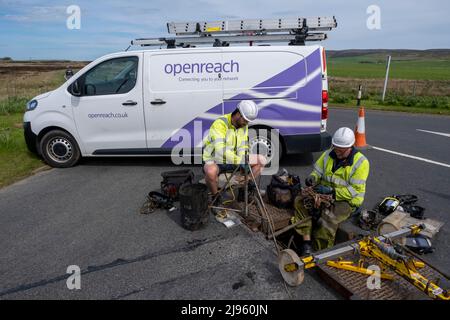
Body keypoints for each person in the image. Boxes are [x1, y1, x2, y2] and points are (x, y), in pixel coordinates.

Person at [292, 127, 370, 255]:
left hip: (347, 201)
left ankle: (319, 251)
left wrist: (332, 192)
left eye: (341, 149)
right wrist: (313, 177)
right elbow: (317, 171)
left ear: (350, 147)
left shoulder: (361, 162)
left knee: (328, 218)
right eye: (335, 147)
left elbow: (355, 190)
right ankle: (306, 243)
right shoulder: (328, 154)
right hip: (323, 194)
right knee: (300, 201)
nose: (337, 151)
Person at [203, 100, 266, 207]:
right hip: (216, 160)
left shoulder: (243, 126)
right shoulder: (220, 124)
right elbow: (220, 149)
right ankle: (216, 197)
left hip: (235, 159)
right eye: (245, 120)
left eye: (248, 121)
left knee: (262, 160)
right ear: (238, 114)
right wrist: (239, 161)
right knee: (210, 172)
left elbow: (243, 144)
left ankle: (244, 189)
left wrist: (244, 157)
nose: (247, 123)